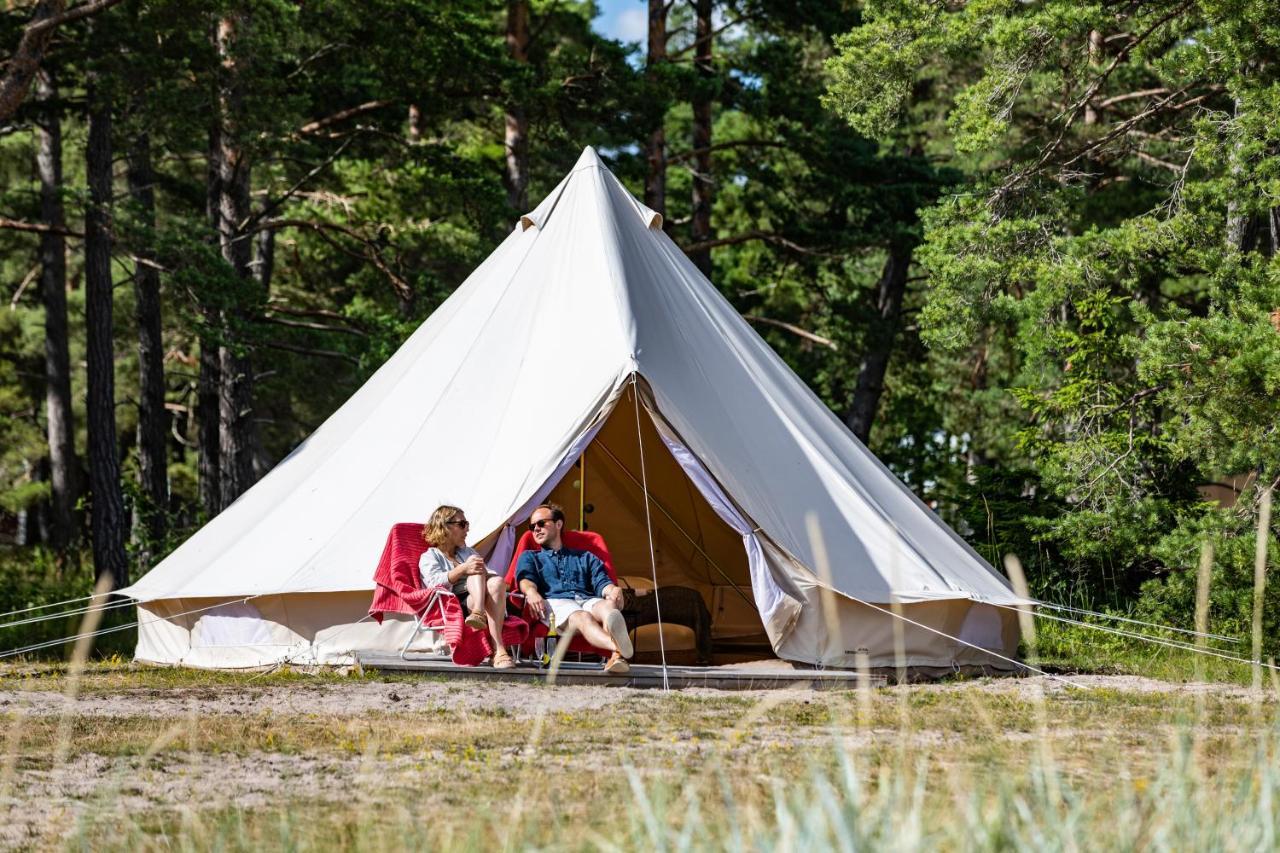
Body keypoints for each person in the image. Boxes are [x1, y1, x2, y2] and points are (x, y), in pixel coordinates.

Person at [515, 503, 633, 674]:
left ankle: (616, 656)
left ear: (558, 524)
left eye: (541, 523)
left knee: (608, 606)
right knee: (582, 616)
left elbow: (601, 582)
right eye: (532, 526)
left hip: (586, 599)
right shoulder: (531, 557)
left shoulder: (584, 556)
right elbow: (526, 580)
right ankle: (618, 646)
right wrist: (531, 592)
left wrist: (612, 590)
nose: (536, 529)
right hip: (555, 602)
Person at [419, 505, 515, 669]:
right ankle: (499, 650)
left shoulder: (467, 552)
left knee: (495, 580)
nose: (467, 529)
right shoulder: (430, 556)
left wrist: (487, 576)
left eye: (467, 524)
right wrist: (463, 569)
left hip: (481, 602)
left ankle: (482, 619)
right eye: (462, 524)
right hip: (455, 604)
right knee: (474, 568)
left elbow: (491, 575)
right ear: (445, 527)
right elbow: (434, 583)